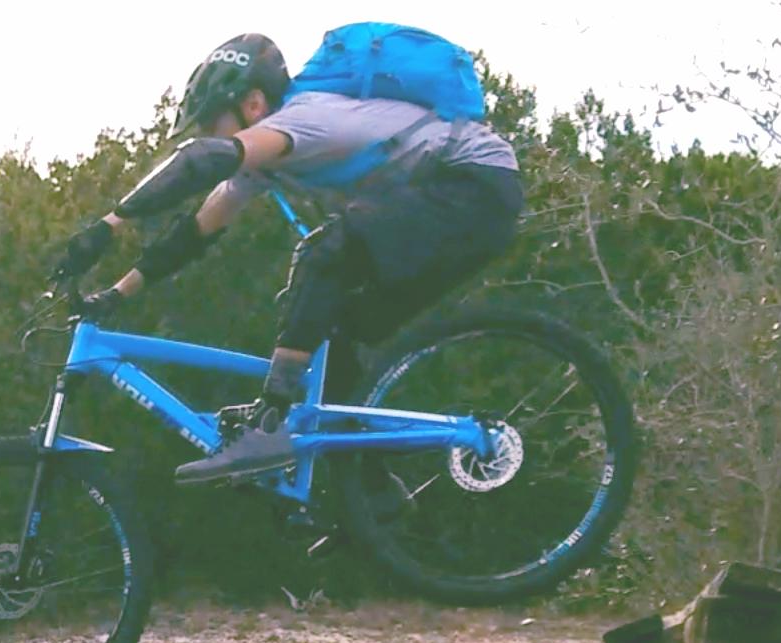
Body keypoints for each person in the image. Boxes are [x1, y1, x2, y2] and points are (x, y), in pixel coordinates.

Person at [52, 31, 523, 483]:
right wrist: (113, 295)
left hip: (474, 187)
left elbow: (201, 160)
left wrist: (109, 224)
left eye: (213, 120)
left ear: (252, 104)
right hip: (458, 207)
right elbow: (194, 233)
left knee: (322, 253)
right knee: (330, 335)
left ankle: (270, 424)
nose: (209, 134)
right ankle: (370, 498)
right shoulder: (266, 161)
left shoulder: (303, 119)